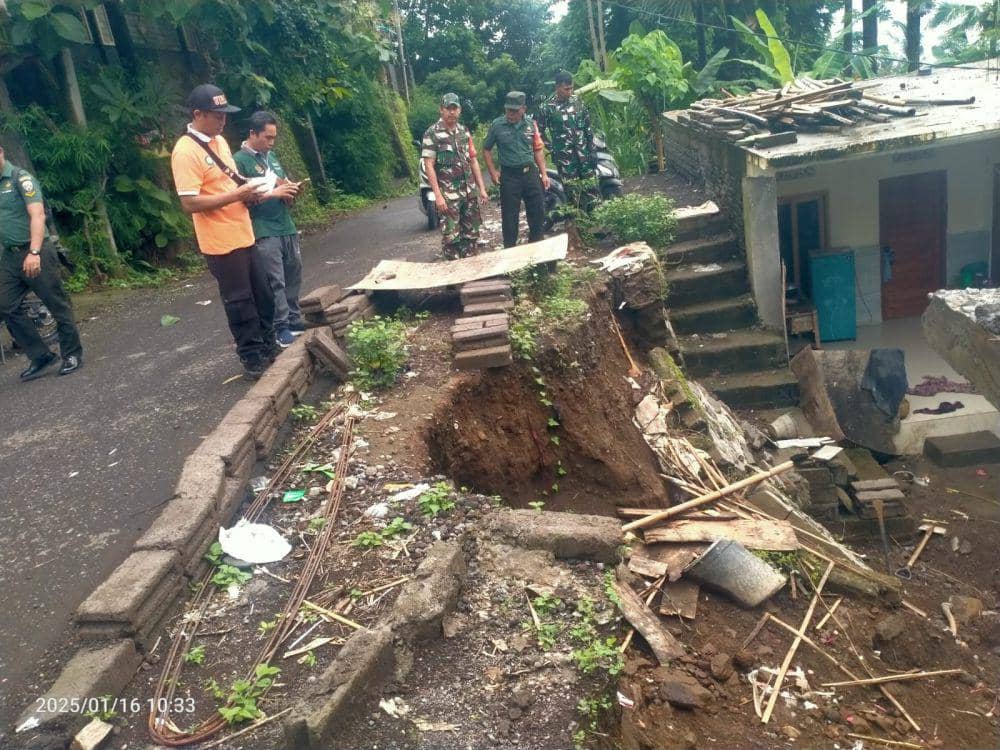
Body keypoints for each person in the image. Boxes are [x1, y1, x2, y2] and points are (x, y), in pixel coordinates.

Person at [171, 84, 296, 379]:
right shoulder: (185, 152)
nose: (222, 121)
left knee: (263, 294)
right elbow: (190, 203)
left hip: (244, 232)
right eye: (217, 116)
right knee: (240, 302)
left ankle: (267, 346)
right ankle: (251, 356)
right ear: (198, 114)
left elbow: (232, 182)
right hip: (220, 242)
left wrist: (258, 190)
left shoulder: (220, 143)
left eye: (225, 115)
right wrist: (236, 196)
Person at [0, 143, 83, 380]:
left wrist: (34, 252)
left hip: (36, 250)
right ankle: (40, 356)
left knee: (56, 303)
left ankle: (72, 354)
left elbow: (37, 214)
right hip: (10, 255)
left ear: (1, 152)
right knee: (4, 304)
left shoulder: (21, 179)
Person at [233, 111, 304, 348]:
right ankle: (280, 327)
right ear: (252, 133)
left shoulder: (271, 157)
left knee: (293, 273)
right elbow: (242, 198)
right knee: (275, 281)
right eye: (267, 137)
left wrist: (290, 190)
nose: (271, 143)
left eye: (274, 138)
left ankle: (293, 320)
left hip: (286, 224)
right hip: (263, 228)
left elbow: (281, 183)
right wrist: (274, 193)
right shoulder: (239, 160)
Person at [420, 93, 489, 260]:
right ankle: (454, 283)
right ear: (441, 110)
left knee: (471, 236)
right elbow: (429, 165)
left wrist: (482, 188)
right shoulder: (432, 133)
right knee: (451, 239)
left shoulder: (464, 132)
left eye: (454, 108)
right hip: (448, 196)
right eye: (448, 108)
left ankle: (471, 272)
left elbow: (473, 161)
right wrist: (438, 196)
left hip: (469, 193)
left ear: (460, 110)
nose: (451, 112)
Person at [482, 91, 550, 248]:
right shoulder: (497, 125)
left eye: (514, 111)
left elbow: (538, 149)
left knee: (537, 213)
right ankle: (510, 257)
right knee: (510, 218)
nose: (510, 114)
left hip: (530, 173)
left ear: (523, 109)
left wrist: (544, 174)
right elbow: (486, 149)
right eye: (508, 110)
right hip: (509, 176)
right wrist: (493, 172)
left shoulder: (531, 124)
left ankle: (536, 252)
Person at [538, 70, 598, 207]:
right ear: (557, 87)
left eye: (571, 88)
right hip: (565, 159)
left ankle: (595, 221)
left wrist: (592, 149)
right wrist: (553, 148)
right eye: (566, 89)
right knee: (573, 192)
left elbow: (587, 127)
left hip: (584, 155)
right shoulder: (547, 108)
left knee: (592, 189)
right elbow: (539, 133)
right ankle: (577, 223)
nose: (570, 91)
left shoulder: (577, 101)